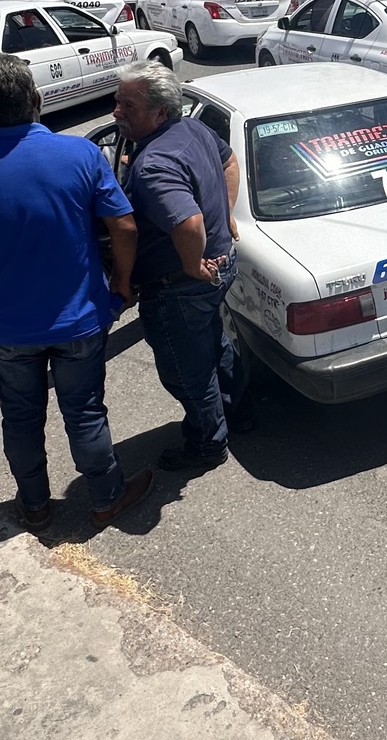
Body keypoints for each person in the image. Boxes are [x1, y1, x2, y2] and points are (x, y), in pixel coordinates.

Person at [0, 55, 151, 530]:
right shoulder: (79, 155)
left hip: (7, 326)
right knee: (85, 412)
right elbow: (124, 226)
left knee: (20, 418)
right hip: (81, 318)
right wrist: (122, 285)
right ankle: (106, 497)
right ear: (35, 100)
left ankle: (35, 505)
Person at [113, 61, 245, 472]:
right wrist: (224, 213)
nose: (116, 111)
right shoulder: (192, 129)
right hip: (221, 268)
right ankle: (239, 414)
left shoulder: (154, 165)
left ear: (160, 113)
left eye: (127, 106)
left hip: (180, 285)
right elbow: (229, 162)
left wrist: (191, 264)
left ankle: (207, 444)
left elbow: (188, 223)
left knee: (188, 371)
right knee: (215, 342)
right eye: (117, 102)